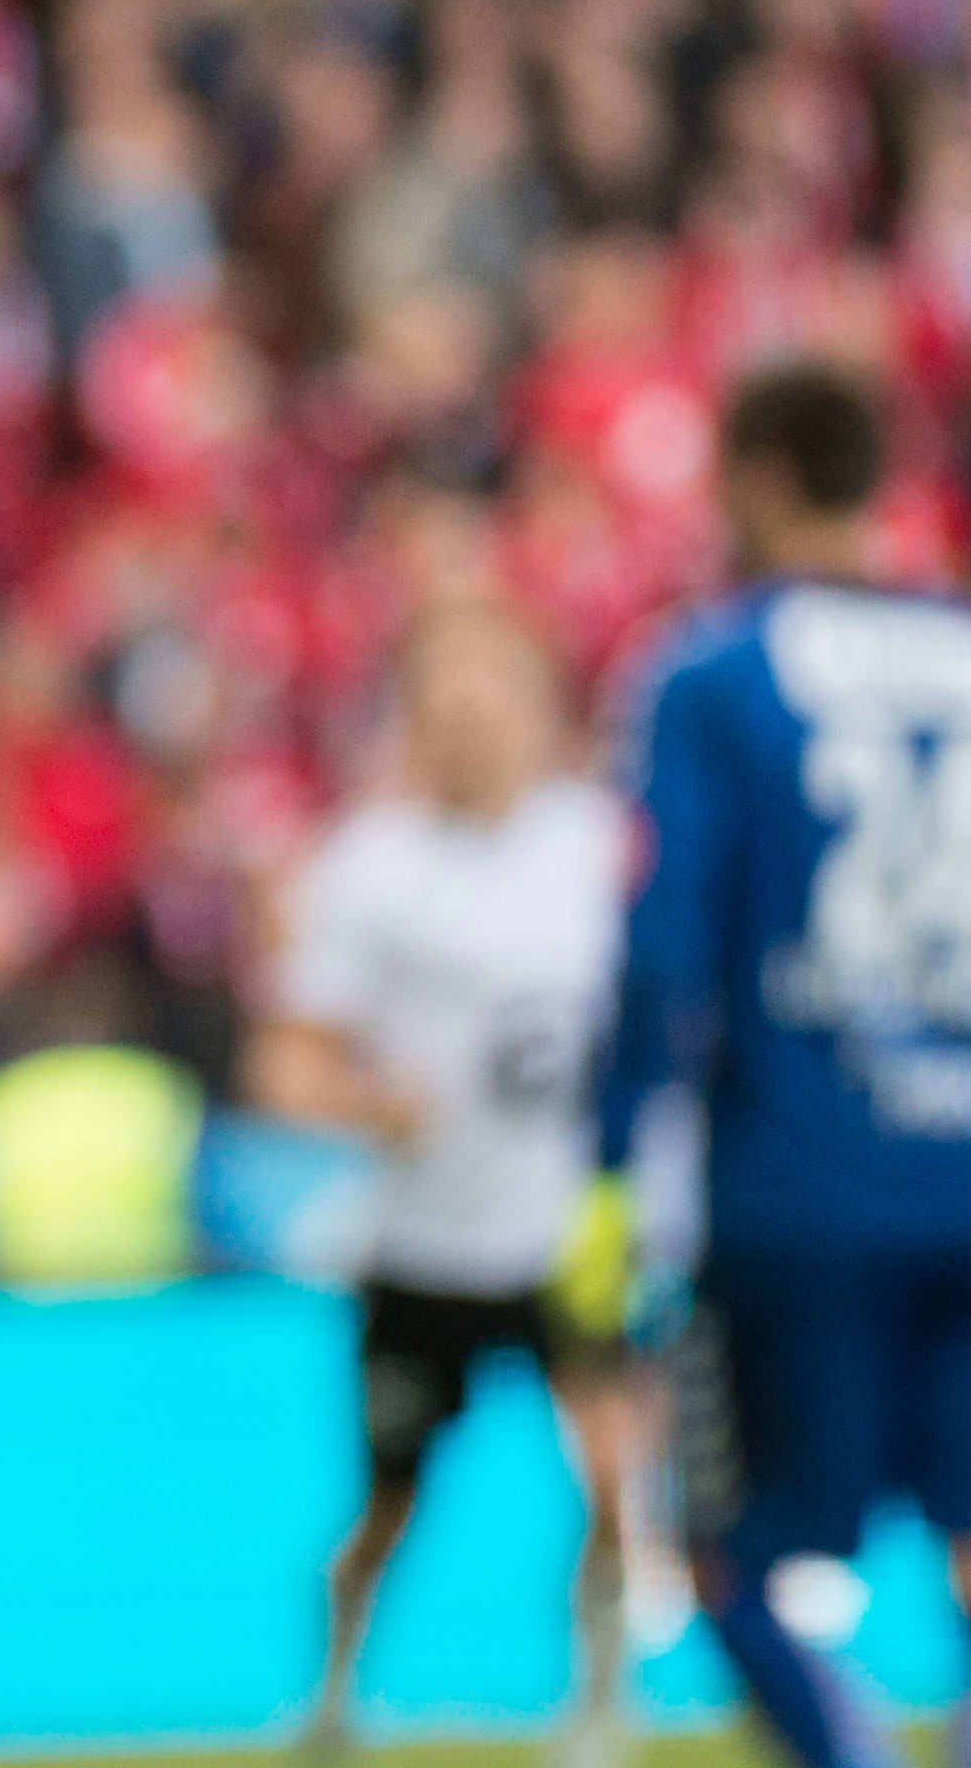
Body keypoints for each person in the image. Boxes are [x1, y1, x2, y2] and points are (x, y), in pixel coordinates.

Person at [586, 360, 971, 1768]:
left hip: (794, 1184)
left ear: (753, 479)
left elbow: (662, 948)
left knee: (724, 1550)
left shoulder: (709, 671)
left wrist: (607, 1162)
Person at [254, 604, 634, 1766]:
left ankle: (601, 1704)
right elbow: (286, 1062)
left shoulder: (599, 847)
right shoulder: (367, 867)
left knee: (615, 1477)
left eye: (493, 700)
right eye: (447, 705)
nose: (472, 726)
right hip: (422, 1244)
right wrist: (366, 1104)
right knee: (387, 1507)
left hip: (567, 1232)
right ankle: (330, 1697)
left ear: (540, 714)